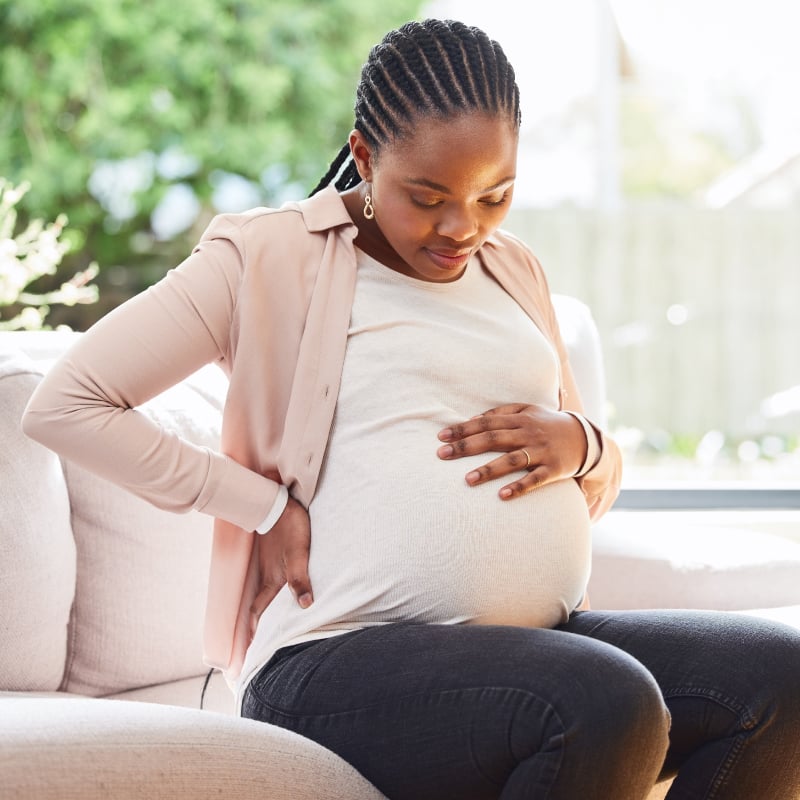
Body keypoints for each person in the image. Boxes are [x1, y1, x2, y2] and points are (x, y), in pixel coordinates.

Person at [22, 18, 800, 800]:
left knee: (780, 682)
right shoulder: (268, 255)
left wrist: (583, 446)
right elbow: (69, 403)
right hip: (334, 662)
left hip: (532, 649)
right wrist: (260, 506)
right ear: (364, 157)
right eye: (428, 198)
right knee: (602, 701)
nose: (463, 227)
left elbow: (590, 481)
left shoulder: (514, 268)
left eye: (495, 196)